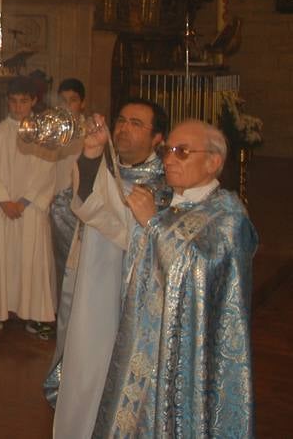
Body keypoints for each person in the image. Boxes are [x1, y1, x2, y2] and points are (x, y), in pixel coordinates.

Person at [74, 118, 256, 436]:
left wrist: (153, 226)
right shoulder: (159, 200)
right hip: (141, 353)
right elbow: (103, 214)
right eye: (167, 149)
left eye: (182, 151)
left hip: (186, 360)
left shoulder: (228, 218)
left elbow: (199, 275)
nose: (169, 158)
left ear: (213, 162)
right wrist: (93, 155)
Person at [45, 98, 171, 439]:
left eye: (136, 123)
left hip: (134, 301)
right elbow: (80, 205)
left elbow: (106, 209)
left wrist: (93, 162)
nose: (123, 128)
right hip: (91, 288)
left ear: (158, 138)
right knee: (85, 370)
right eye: (121, 120)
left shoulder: (165, 187)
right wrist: (91, 153)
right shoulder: (107, 168)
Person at [0, 76, 58, 339]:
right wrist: (3, 200)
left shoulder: (45, 134)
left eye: (24, 101)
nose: (18, 107)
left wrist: (23, 202)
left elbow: (47, 169)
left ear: (34, 100)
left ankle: (37, 315)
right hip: (2, 209)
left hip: (30, 209)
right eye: (13, 101)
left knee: (32, 260)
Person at [47, 77, 87, 293]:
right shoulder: (51, 130)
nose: (67, 105)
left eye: (72, 100)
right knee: (54, 256)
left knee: (76, 256)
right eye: (63, 100)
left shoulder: (90, 130)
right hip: (53, 198)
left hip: (80, 202)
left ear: (82, 103)